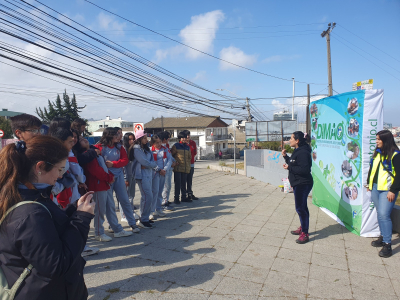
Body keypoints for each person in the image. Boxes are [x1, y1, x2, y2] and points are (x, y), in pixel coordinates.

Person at [0, 135, 95, 300]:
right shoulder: (30, 213)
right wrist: (82, 218)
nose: (59, 176)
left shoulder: (24, 195)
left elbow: (47, 231)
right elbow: (57, 264)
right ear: (40, 167)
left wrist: (74, 210)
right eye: (59, 169)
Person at [94, 128, 138, 234]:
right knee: (110, 204)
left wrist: (114, 164)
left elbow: (125, 160)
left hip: (118, 177)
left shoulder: (119, 147)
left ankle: (132, 223)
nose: (119, 137)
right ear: (110, 136)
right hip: (107, 179)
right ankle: (112, 225)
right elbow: (96, 162)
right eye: (116, 135)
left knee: (124, 200)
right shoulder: (99, 147)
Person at [76, 136, 120, 242]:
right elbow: (96, 171)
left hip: (103, 184)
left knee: (104, 208)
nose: (84, 140)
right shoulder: (88, 155)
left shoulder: (93, 152)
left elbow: (103, 167)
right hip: (97, 185)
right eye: (81, 140)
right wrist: (109, 178)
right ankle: (99, 233)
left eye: (84, 138)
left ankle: (103, 230)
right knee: (99, 210)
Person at [367, 130, 400, 258]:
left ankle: (387, 244)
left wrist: (393, 190)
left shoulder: (395, 155)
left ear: (386, 140)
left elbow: (399, 175)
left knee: (383, 214)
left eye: (379, 139)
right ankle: (383, 236)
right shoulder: (378, 152)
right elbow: (372, 169)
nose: (377, 141)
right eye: (376, 139)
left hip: (387, 189)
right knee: (380, 214)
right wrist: (369, 184)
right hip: (375, 187)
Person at [282, 131, 313, 244]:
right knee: (302, 207)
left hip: (303, 184)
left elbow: (304, 170)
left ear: (297, 141)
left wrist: (289, 168)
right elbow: (293, 163)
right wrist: (286, 157)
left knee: (300, 208)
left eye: (291, 138)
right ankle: (303, 227)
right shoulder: (297, 150)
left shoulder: (303, 152)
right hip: (298, 183)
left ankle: (305, 233)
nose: (289, 140)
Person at [132, 130, 160, 229]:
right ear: (139, 139)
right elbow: (144, 161)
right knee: (147, 196)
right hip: (141, 174)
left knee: (149, 196)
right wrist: (152, 165)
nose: (146, 139)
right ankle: (142, 219)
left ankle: (145, 217)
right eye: (144, 138)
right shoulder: (137, 149)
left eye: (146, 137)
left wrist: (150, 165)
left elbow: (150, 160)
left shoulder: (146, 148)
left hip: (148, 173)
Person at [150, 134, 171, 219]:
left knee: (160, 191)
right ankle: (151, 211)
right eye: (157, 142)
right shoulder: (150, 150)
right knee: (154, 192)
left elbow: (169, 160)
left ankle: (158, 209)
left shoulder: (165, 149)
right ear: (153, 143)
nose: (159, 144)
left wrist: (165, 169)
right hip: (154, 173)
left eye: (160, 142)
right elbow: (150, 162)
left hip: (163, 173)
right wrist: (158, 169)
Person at [122, 132, 139, 221]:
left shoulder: (133, 149)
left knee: (131, 196)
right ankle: (124, 215)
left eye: (133, 139)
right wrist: (125, 178)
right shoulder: (123, 149)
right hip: (126, 176)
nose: (132, 141)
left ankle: (130, 211)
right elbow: (124, 166)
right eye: (130, 139)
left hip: (132, 175)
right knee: (125, 197)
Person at [171, 132, 192, 204]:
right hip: (178, 168)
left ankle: (184, 197)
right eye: (183, 138)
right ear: (179, 138)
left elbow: (189, 157)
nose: (184, 139)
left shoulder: (187, 147)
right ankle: (176, 198)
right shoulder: (176, 146)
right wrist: (175, 162)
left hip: (185, 168)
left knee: (184, 183)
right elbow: (171, 155)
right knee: (177, 184)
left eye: (185, 138)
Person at [161, 131, 176, 211]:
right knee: (166, 187)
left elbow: (169, 157)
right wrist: (170, 164)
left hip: (169, 170)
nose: (169, 139)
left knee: (168, 186)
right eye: (168, 137)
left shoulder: (166, 147)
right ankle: (164, 203)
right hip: (165, 170)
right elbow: (164, 160)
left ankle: (165, 201)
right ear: (164, 139)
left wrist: (174, 161)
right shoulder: (162, 148)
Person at [183, 130, 199, 200]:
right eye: (186, 135)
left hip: (191, 163)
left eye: (189, 135)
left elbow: (195, 152)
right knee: (184, 180)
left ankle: (190, 193)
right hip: (184, 164)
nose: (188, 136)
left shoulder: (193, 143)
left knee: (190, 179)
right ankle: (184, 195)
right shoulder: (182, 143)